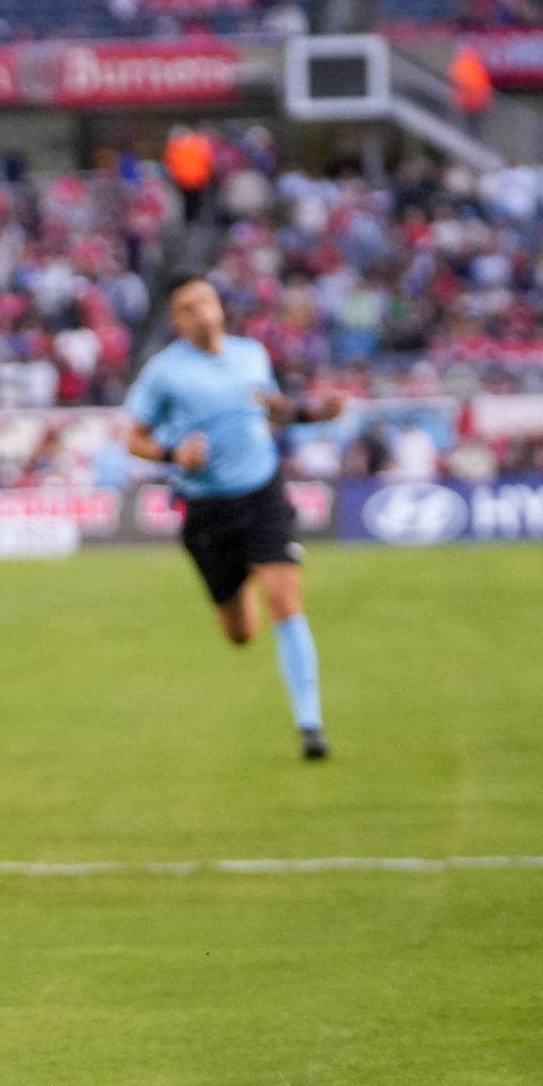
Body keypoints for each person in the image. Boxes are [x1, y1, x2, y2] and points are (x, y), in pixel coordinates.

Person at [123, 279, 343, 759]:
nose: (199, 311)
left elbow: (273, 408)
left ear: (219, 306)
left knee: (286, 601)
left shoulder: (251, 354)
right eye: (187, 307)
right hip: (208, 510)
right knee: (240, 633)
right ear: (176, 321)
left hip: (263, 494)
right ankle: (243, 576)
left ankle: (310, 726)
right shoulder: (164, 373)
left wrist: (314, 413)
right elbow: (132, 437)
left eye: (204, 300)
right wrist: (173, 455)